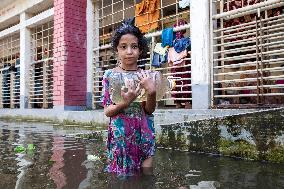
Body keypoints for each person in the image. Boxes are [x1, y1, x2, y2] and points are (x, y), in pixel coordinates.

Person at [101, 21, 156, 177]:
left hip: (143, 134)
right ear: (117, 50)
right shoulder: (109, 76)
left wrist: (151, 92)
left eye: (134, 46)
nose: (129, 51)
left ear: (140, 50)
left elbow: (149, 110)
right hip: (120, 137)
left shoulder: (145, 76)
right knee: (121, 178)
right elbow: (107, 111)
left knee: (146, 177)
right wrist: (125, 102)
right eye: (123, 47)